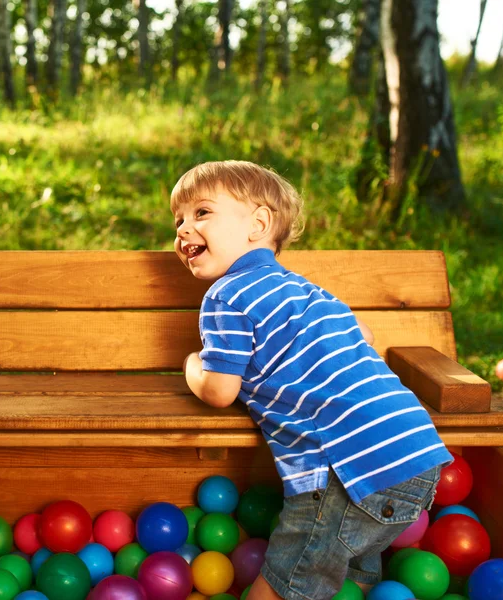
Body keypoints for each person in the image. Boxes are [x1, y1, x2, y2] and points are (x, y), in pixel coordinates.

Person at [171, 160, 452, 600]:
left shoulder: (225, 296)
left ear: (258, 223)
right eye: (179, 220)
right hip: (417, 454)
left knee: (286, 585)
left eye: (201, 213)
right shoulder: (310, 291)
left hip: (345, 471)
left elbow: (220, 389)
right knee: (351, 565)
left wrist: (192, 364)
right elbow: (364, 336)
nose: (184, 230)